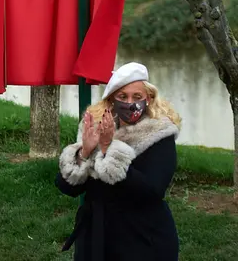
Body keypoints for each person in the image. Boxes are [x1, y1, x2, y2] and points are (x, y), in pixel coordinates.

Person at [56, 62, 181, 261]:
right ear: (112, 100)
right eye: (123, 96)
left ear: (148, 99)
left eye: (137, 97)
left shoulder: (159, 135)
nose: (130, 103)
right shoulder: (96, 128)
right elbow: (67, 187)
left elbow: (152, 191)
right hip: (95, 239)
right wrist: (85, 152)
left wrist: (109, 150)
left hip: (142, 239)